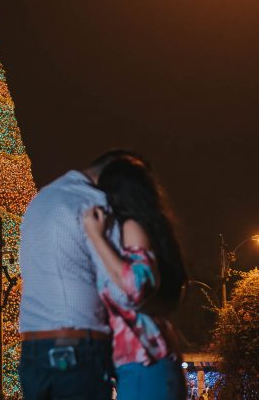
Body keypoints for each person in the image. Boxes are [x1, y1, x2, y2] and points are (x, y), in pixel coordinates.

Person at [18, 149, 145, 400]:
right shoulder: (95, 204)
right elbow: (121, 289)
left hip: (32, 347)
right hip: (78, 345)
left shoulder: (41, 199)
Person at [82, 155, 188, 399]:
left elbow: (135, 287)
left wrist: (95, 235)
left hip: (145, 363)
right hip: (143, 363)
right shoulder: (134, 230)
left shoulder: (132, 226)